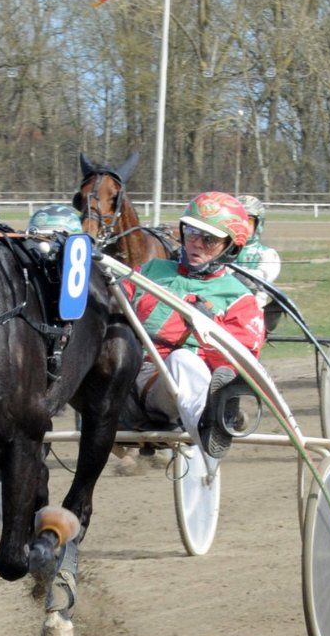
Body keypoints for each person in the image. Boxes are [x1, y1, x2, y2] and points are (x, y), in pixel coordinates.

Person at [121, 191, 267, 464]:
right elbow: (115, 301)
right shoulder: (152, 270)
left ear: (230, 246)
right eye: (191, 233)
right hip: (127, 371)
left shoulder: (239, 299)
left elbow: (242, 363)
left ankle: (209, 424)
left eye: (209, 239)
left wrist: (207, 332)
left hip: (169, 384)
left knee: (184, 360)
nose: (196, 244)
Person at [234, 194, 284, 332]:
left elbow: (257, 280)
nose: (242, 226)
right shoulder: (219, 250)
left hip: (251, 318)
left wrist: (228, 273)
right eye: (238, 221)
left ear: (259, 224)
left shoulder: (267, 254)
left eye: (248, 221)